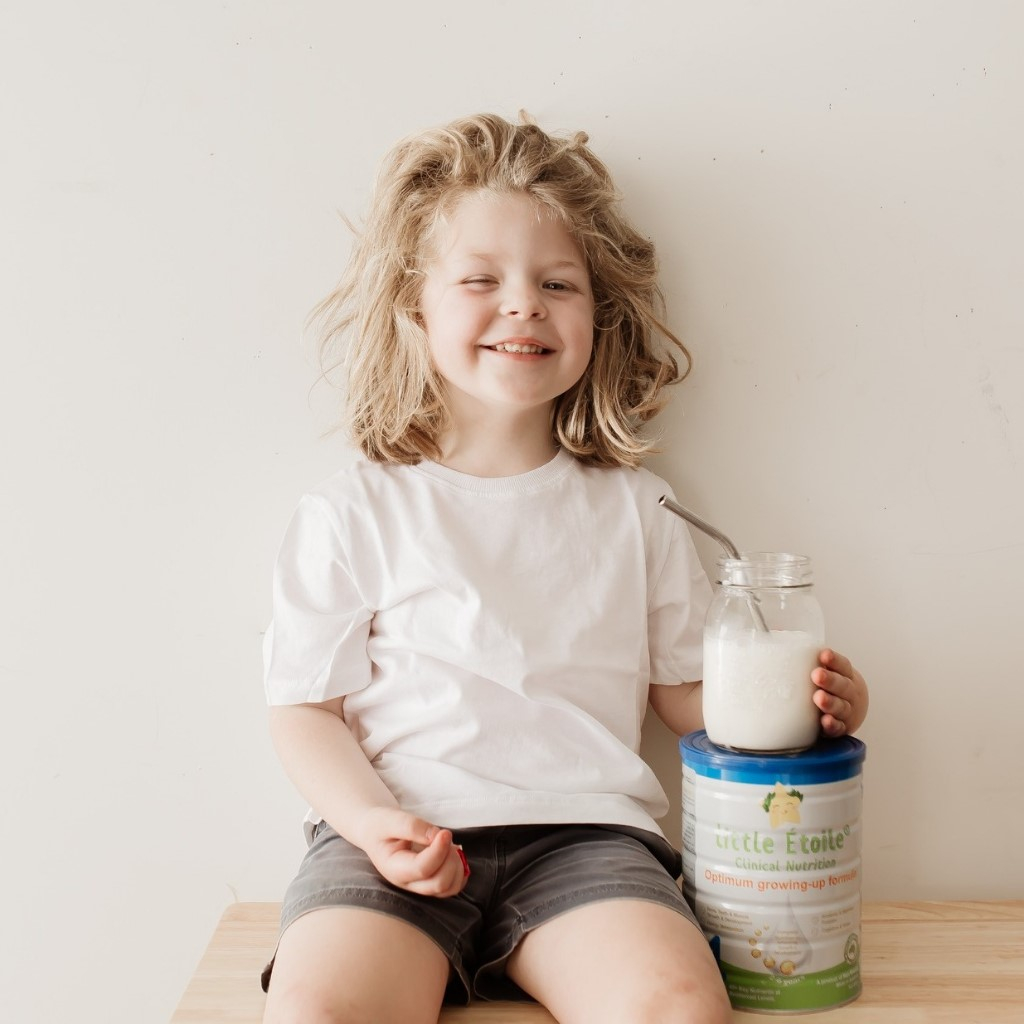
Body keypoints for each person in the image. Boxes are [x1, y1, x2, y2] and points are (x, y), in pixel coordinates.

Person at [260, 112, 869, 1024]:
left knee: (679, 1011)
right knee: (317, 1013)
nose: (524, 305)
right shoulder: (353, 511)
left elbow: (689, 696)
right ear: (415, 310)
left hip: (586, 845)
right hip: (393, 837)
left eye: (557, 283)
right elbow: (305, 710)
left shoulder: (640, 508)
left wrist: (807, 703)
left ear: (597, 316)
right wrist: (371, 824)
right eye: (481, 280)